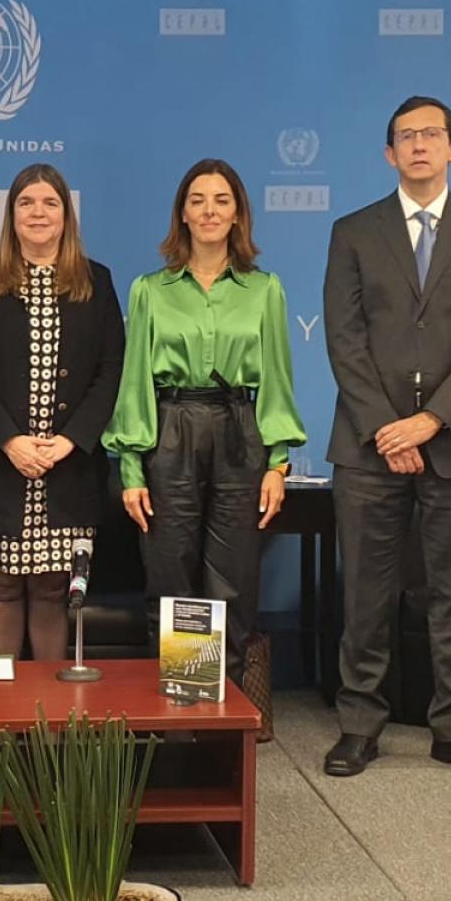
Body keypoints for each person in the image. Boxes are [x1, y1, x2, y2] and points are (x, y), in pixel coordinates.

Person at [320, 95, 451, 783]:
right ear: (389, 153)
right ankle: (359, 726)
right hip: (368, 445)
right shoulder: (353, 231)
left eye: (432, 134)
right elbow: (344, 342)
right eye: (406, 136)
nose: (419, 145)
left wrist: (429, 423)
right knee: (366, 596)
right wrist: (385, 428)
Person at [103, 158, 306, 697]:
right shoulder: (150, 289)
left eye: (221, 199)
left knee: (232, 585)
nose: (210, 210)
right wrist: (130, 467)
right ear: (183, 215)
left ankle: (222, 723)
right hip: (170, 432)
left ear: (238, 213)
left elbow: (279, 381)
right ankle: (178, 717)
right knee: (171, 582)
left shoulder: (265, 290)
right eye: (198, 200)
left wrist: (278, 461)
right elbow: (134, 383)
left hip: (242, 434)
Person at [0, 164, 124, 659]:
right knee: (3, 590)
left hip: (67, 469)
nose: (38, 212)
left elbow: (111, 370)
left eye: (50, 203)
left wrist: (70, 441)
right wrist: (10, 440)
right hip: (1, 468)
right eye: (26, 203)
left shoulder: (97, 281)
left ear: (66, 216)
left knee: (52, 593)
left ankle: (51, 724)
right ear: (11, 214)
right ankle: (2, 722)